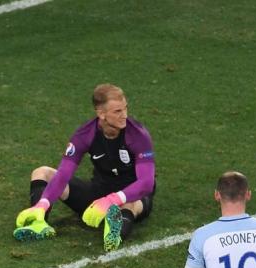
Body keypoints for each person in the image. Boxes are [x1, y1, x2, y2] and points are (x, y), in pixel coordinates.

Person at [13, 83, 156, 251]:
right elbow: (63, 174)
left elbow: (146, 183)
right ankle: (38, 222)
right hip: (98, 194)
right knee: (42, 172)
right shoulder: (85, 134)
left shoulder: (138, 135)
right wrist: (43, 203)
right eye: (117, 111)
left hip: (132, 195)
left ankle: (114, 236)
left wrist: (113, 200)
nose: (124, 115)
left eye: (125, 108)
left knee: (129, 205)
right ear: (101, 114)